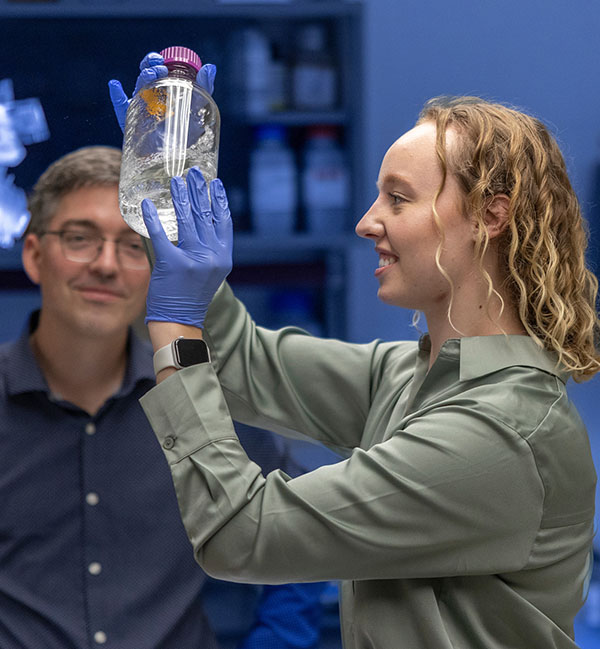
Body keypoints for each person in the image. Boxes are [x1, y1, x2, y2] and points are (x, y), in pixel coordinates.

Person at [131, 96, 599, 649]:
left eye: (397, 199)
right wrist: (156, 187)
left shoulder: (499, 433)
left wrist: (175, 333)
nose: (365, 222)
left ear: (489, 217)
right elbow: (243, 361)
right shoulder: (415, 376)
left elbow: (243, 532)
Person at [0, 145, 327, 649]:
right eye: (80, 239)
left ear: (158, 267)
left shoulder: (199, 400)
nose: (107, 265)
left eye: (134, 246)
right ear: (34, 255)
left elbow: (304, 532)